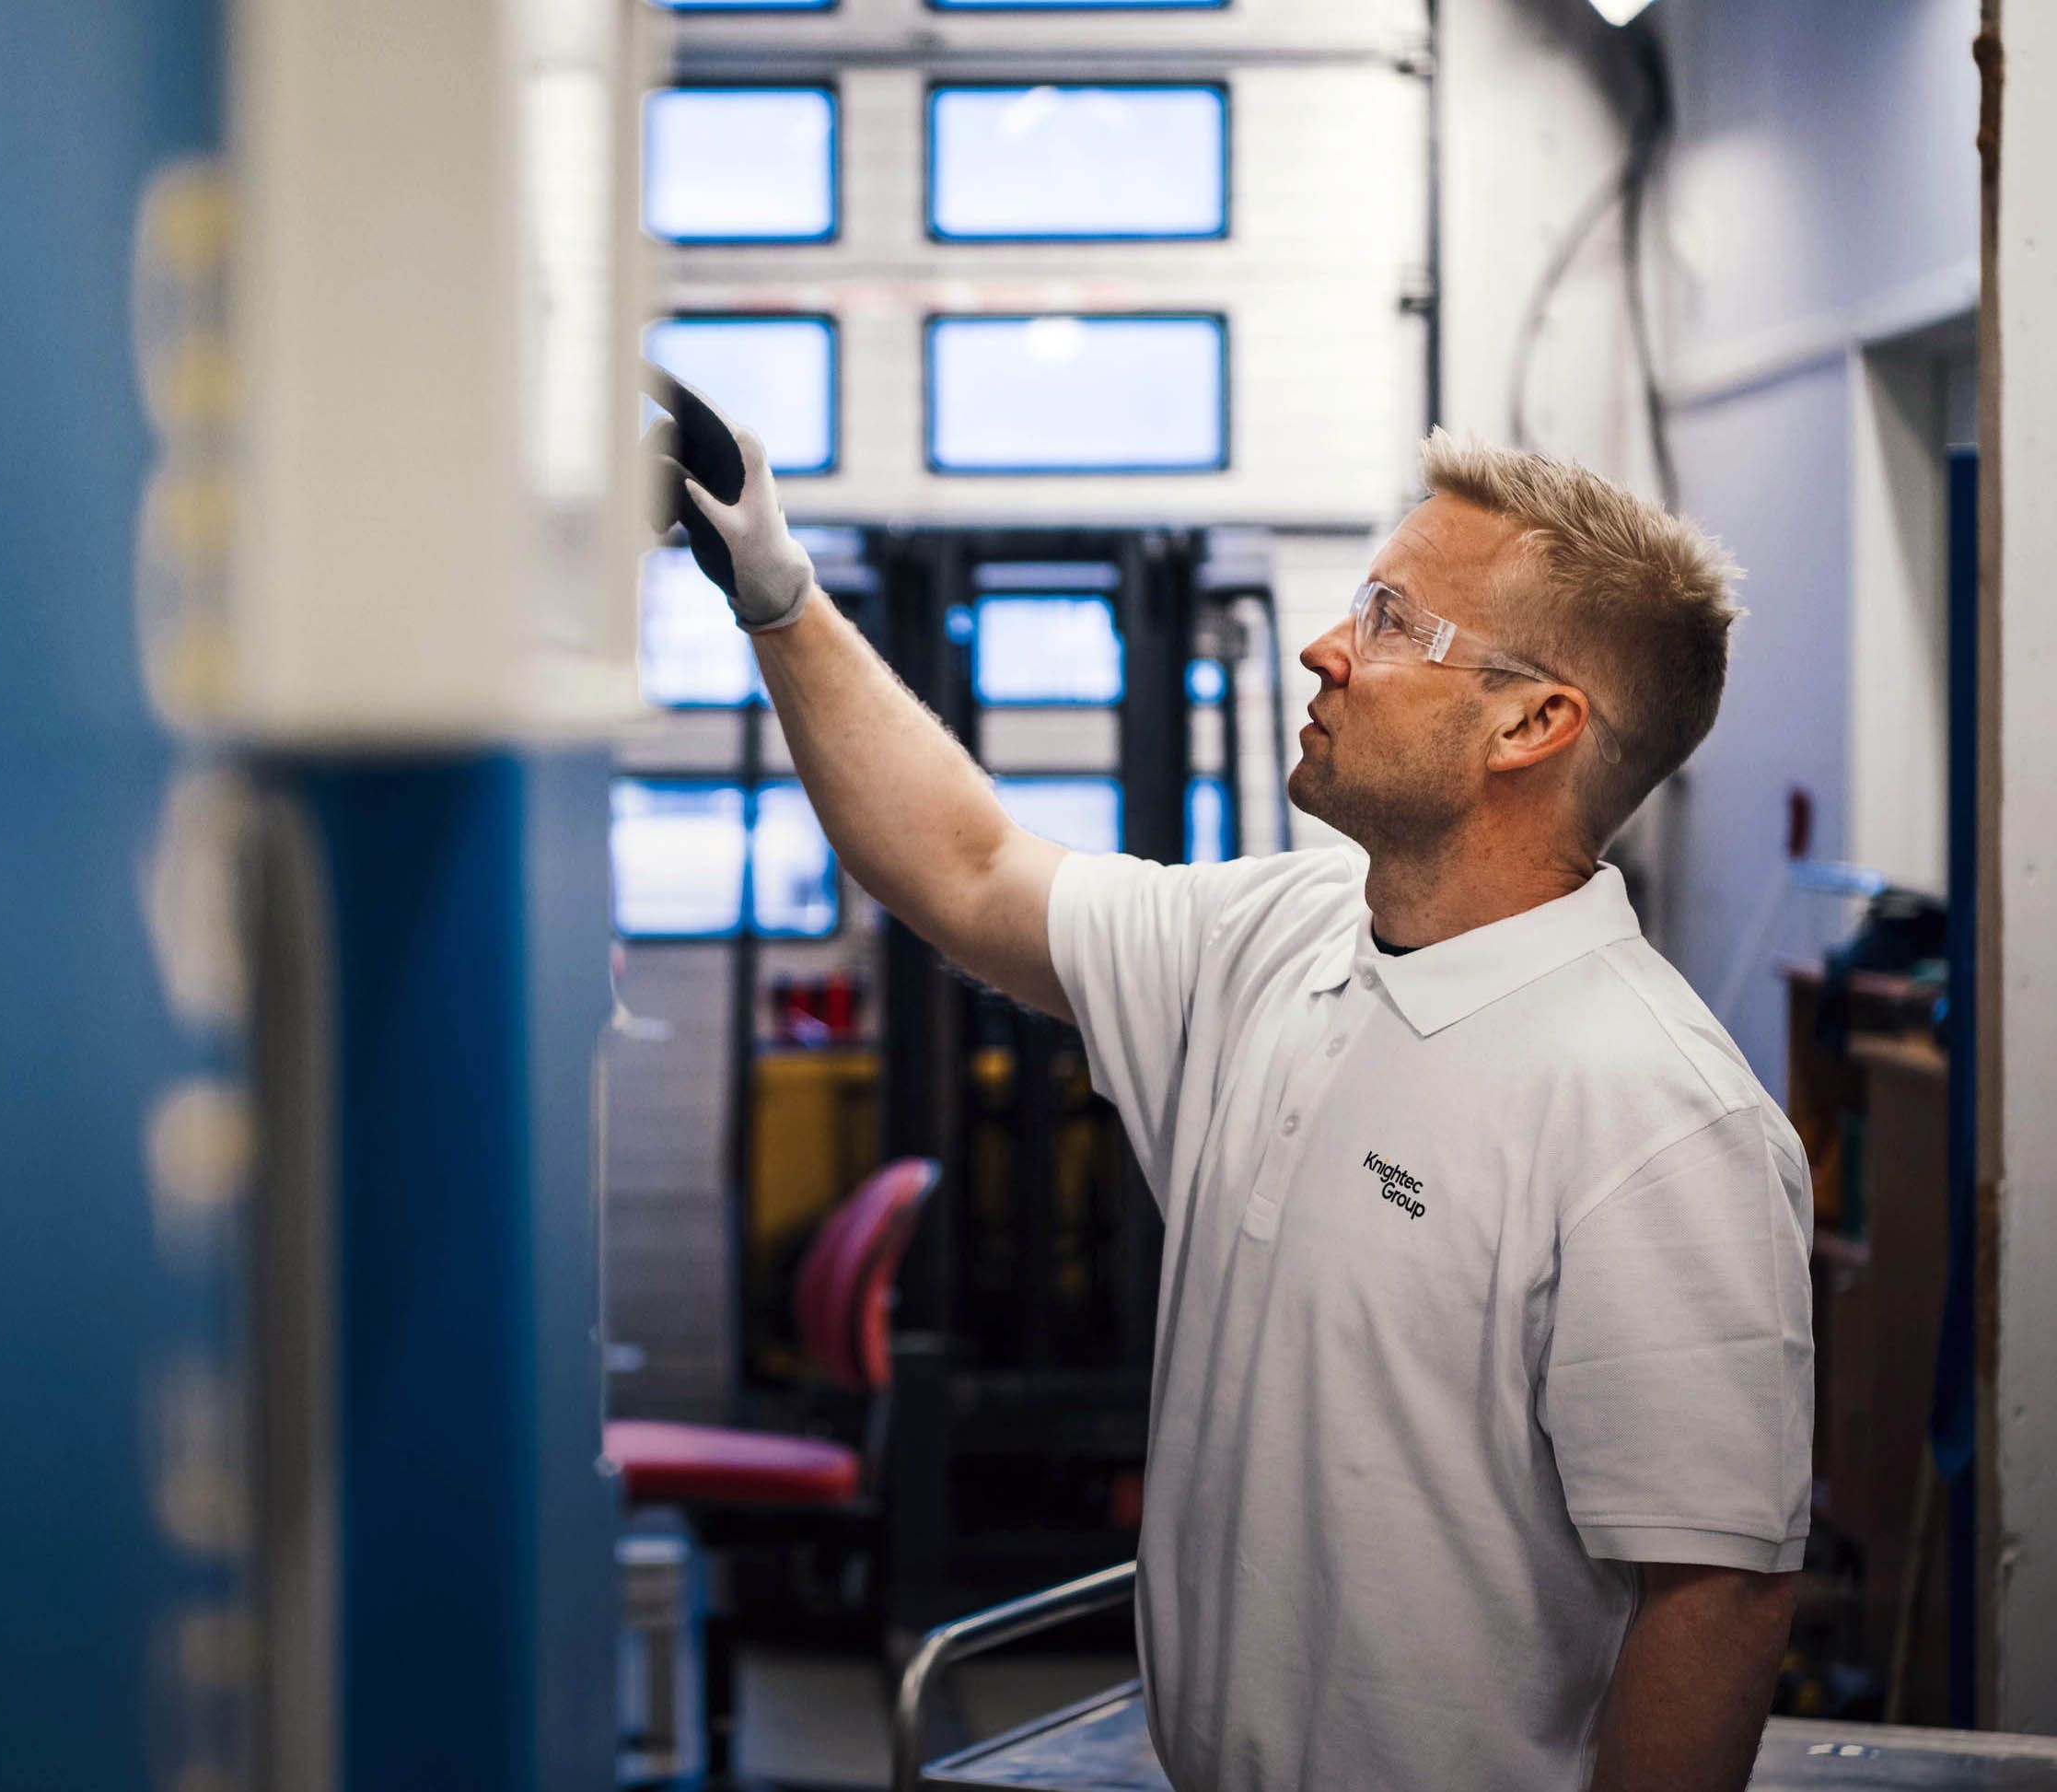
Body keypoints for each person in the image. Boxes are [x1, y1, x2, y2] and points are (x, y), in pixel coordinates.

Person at [641, 366, 1812, 1792]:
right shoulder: (1274, 938)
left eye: (1391, 619)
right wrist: (776, 591)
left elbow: (1717, 1593)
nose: (1328, 646)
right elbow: (970, 864)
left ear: (1532, 725)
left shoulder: (1661, 1114)